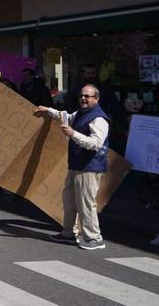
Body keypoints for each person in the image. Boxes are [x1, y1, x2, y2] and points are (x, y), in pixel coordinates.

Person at [36, 84, 110, 250]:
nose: (83, 98)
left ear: (96, 99)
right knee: (69, 201)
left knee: (86, 204)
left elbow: (95, 143)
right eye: (82, 95)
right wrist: (47, 110)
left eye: (87, 96)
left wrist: (73, 134)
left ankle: (94, 238)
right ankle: (68, 233)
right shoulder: (81, 113)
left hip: (89, 167)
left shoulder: (99, 118)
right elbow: (66, 117)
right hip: (76, 165)